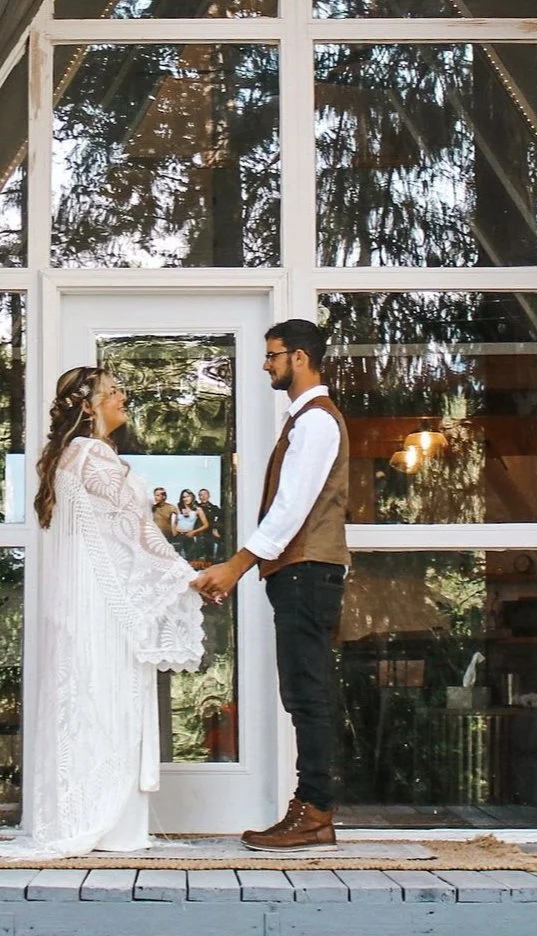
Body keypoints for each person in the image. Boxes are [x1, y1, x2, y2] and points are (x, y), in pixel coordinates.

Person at [28, 366, 204, 855]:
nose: (123, 397)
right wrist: (188, 577)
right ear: (88, 406)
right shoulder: (94, 456)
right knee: (107, 699)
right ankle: (106, 824)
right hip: (102, 607)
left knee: (83, 700)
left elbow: (118, 533)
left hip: (82, 603)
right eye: (112, 392)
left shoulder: (69, 457)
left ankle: (79, 814)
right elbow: (137, 531)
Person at [193, 319, 348, 851]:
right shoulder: (303, 421)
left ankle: (315, 812)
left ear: (300, 358)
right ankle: (312, 809)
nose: (266, 364)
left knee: (309, 695)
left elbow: (291, 509)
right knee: (303, 692)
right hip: (297, 573)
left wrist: (236, 566)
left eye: (273, 355)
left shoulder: (318, 423)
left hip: (308, 572)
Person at [171, 488, 209, 560]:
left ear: (192, 497)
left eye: (187, 496)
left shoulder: (198, 509)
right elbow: (174, 522)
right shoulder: (178, 508)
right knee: (177, 559)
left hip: (189, 535)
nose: (186, 499)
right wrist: (174, 532)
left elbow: (206, 525)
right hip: (178, 536)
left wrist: (194, 532)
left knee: (190, 559)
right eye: (184, 497)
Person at [198, 487, 223, 561]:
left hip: (211, 533)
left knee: (211, 554)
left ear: (209, 495)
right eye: (201, 495)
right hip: (200, 533)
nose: (203, 496)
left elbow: (220, 518)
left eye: (205, 494)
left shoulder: (214, 508)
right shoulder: (197, 508)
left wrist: (215, 529)